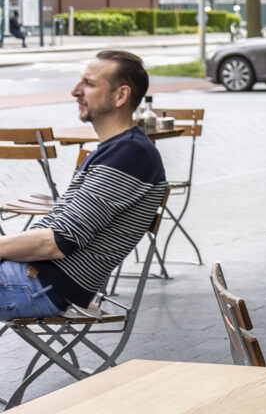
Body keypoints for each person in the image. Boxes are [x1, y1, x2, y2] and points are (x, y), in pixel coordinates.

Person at [0, 50, 167, 320]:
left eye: (88, 84)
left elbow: (57, 241)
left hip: (39, 285)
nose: (75, 91)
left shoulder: (130, 155)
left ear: (121, 96)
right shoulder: (117, 150)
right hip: (32, 278)